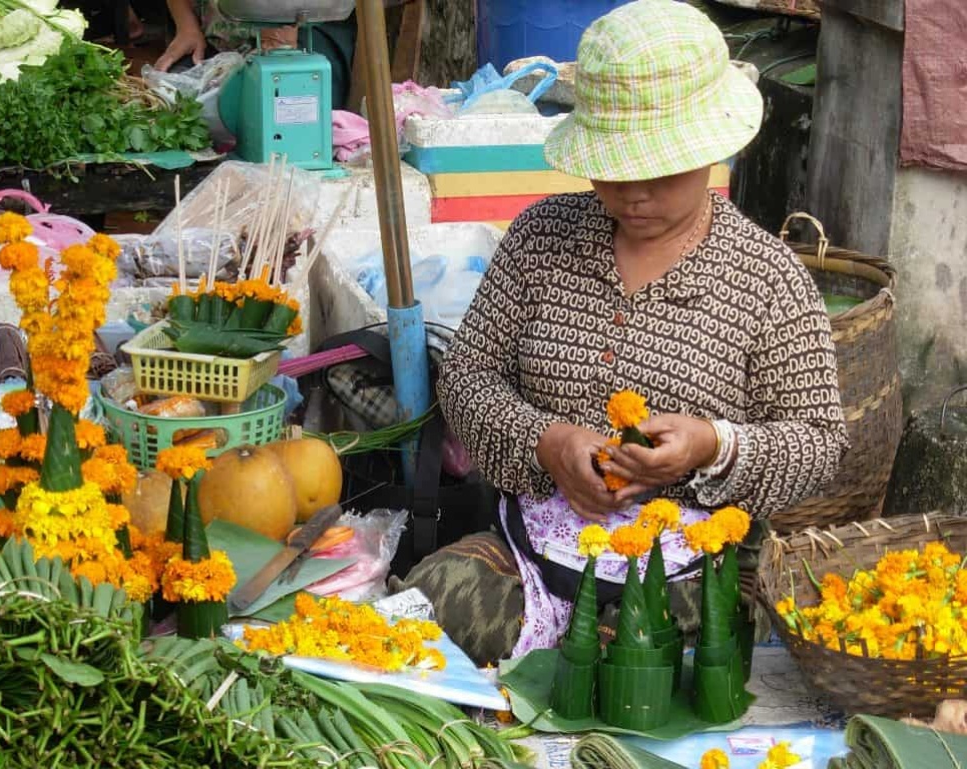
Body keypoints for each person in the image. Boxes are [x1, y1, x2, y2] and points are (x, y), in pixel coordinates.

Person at [393, 0, 849, 665]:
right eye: (614, 166)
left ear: (709, 149)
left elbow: (818, 441)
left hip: (690, 571)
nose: (633, 190)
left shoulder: (767, 277)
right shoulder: (541, 238)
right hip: (536, 550)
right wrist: (548, 442)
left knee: (638, 658)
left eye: (658, 168)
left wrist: (709, 445)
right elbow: (467, 377)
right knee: (427, 603)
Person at [154, 0, 357, 110]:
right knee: (173, 100)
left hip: (310, 20)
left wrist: (282, 27)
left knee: (294, 106)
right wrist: (186, 26)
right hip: (216, 29)